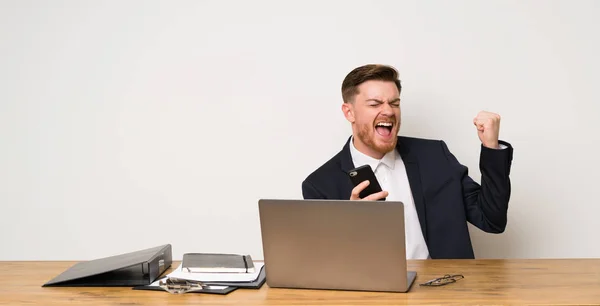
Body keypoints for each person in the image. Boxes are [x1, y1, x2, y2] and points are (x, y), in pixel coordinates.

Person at [301, 64, 513, 259]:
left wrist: (491, 148)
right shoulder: (320, 186)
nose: (388, 111)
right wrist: (351, 225)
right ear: (349, 112)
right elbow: (323, 263)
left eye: (394, 103)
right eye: (375, 104)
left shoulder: (434, 156)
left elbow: (491, 220)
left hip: (444, 292)